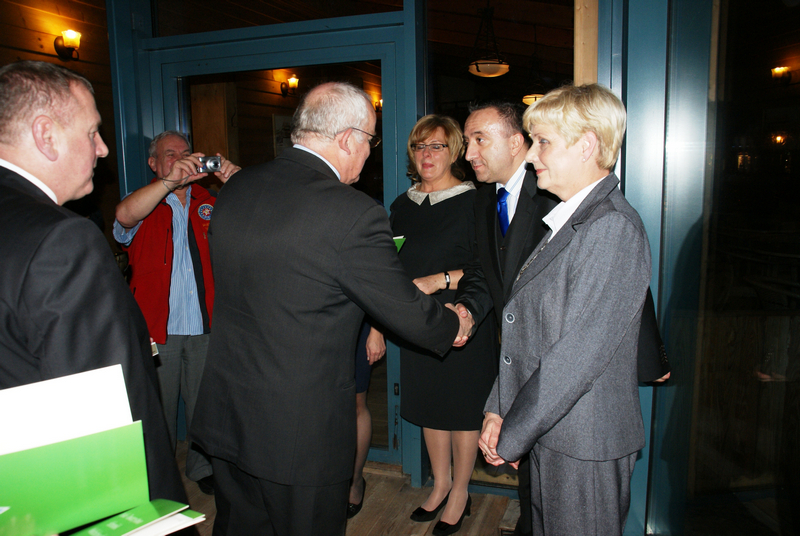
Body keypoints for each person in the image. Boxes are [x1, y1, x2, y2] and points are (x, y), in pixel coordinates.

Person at [190, 81, 473, 536]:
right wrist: (452, 323)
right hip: (299, 433)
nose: (368, 154)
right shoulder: (350, 212)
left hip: (227, 413)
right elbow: (399, 304)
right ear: (346, 139)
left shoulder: (239, 187)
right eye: (370, 141)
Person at [455, 101, 670, 536]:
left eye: (543, 142)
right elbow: (529, 331)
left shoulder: (610, 228)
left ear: (586, 146)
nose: (532, 155)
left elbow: (575, 357)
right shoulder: (571, 221)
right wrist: (499, 407)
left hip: (584, 443)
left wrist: (512, 432)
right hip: (553, 431)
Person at [0, 60, 185, 503]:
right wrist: (148, 510)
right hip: (65, 491)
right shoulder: (62, 238)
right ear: (46, 135)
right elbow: (101, 409)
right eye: (91, 132)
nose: (102, 149)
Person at [389, 114, 498, 536]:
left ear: (454, 152)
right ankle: (441, 484)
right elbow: (389, 267)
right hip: (418, 321)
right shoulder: (402, 205)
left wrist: (441, 280)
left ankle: (461, 493)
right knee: (431, 405)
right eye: (419, 146)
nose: (427, 154)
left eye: (436, 146)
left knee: (462, 408)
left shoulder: (476, 202)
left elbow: (489, 268)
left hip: (463, 317)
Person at [113, 130, 240, 492]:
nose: (182, 159)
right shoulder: (144, 203)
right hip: (157, 330)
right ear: (153, 163)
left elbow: (259, 223)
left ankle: (203, 468)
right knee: (157, 409)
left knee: (205, 406)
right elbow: (123, 217)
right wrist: (168, 184)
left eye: (187, 153)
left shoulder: (210, 201)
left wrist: (237, 181)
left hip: (205, 325)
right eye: (171, 154)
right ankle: (158, 477)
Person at [346, 321, 384, 519]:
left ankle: (355, 482)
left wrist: (376, 332)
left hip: (359, 323)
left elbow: (382, 299)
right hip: (320, 325)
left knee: (356, 402)